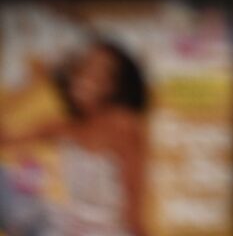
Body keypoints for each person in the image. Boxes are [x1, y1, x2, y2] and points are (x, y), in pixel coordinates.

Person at [0, 37, 149, 236]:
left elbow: (134, 198)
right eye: (84, 66)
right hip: (67, 227)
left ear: (115, 85)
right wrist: (32, 82)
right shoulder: (63, 126)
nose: (87, 76)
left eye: (101, 71)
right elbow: (5, 138)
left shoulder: (124, 126)